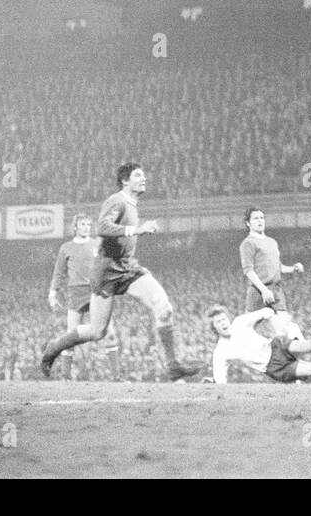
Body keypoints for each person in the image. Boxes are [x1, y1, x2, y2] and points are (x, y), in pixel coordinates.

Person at [40, 162, 202, 381]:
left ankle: (173, 365)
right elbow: (103, 228)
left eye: (144, 175)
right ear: (125, 181)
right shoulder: (117, 201)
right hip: (106, 272)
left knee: (164, 308)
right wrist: (137, 229)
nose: (144, 178)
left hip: (127, 268)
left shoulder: (133, 204)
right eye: (138, 175)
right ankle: (54, 347)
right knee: (97, 332)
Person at [206, 305, 311, 383]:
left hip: (277, 346)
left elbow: (266, 311)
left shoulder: (240, 322)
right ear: (214, 328)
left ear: (227, 318)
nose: (222, 322)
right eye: (217, 322)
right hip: (274, 368)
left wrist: (271, 317)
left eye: (223, 318)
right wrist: (213, 384)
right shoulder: (220, 352)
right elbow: (221, 382)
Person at [48, 214, 120, 380]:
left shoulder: (97, 244)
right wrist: (53, 292)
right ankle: (66, 376)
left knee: (109, 332)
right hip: (76, 293)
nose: (86, 227)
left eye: (88, 224)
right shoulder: (66, 247)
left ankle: (116, 377)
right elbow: (59, 272)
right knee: (71, 335)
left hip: (96, 291)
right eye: (82, 224)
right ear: (75, 227)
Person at [238, 207, 303, 333]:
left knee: (284, 331)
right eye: (255, 218)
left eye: (262, 218)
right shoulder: (247, 243)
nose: (260, 221)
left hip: (276, 291)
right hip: (258, 292)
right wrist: (263, 290)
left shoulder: (272, 242)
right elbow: (248, 270)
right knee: (253, 333)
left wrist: (293, 269)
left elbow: (278, 267)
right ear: (248, 223)